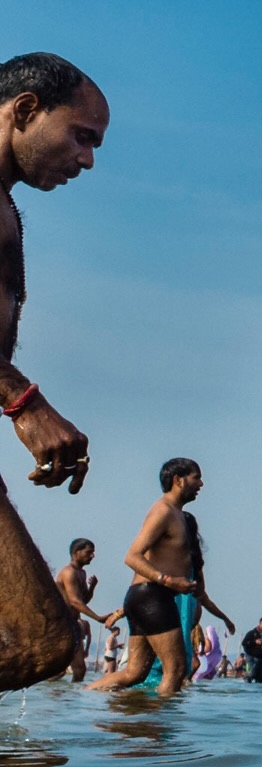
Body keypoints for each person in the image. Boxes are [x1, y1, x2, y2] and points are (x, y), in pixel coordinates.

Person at [0, 54, 106, 689]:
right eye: (82, 136)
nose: (88, 160)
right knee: (38, 641)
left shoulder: (6, 210)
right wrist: (23, 401)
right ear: (26, 110)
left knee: (38, 644)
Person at [89, 458, 234, 696]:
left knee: (134, 673)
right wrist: (168, 580)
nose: (201, 483)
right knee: (176, 670)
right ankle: (158, 730)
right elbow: (132, 556)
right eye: (196, 477)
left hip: (144, 597)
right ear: (178, 480)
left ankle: (81, 698)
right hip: (151, 597)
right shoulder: (163, 511)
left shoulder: (179, 515)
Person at [54, 537, 112, 682]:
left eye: (93, 552)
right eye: (89, 552)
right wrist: (97, 618)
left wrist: (92, 587)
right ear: (76, 552)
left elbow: (83, 600)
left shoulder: (82, 573)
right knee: (58, 669)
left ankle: (70, 702)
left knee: (80, 670)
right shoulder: (68, 572)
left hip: (74, 623)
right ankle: (50, 699)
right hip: (62, 624)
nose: (92, 556)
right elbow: (74, 601)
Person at [240, 618, 262, 683]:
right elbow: (244, 643)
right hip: (251, 657)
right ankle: (246, 687)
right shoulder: (251, 633)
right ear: (259, 623)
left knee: (260, 679)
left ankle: (259, 692)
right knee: (250, 675)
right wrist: (255, 642)